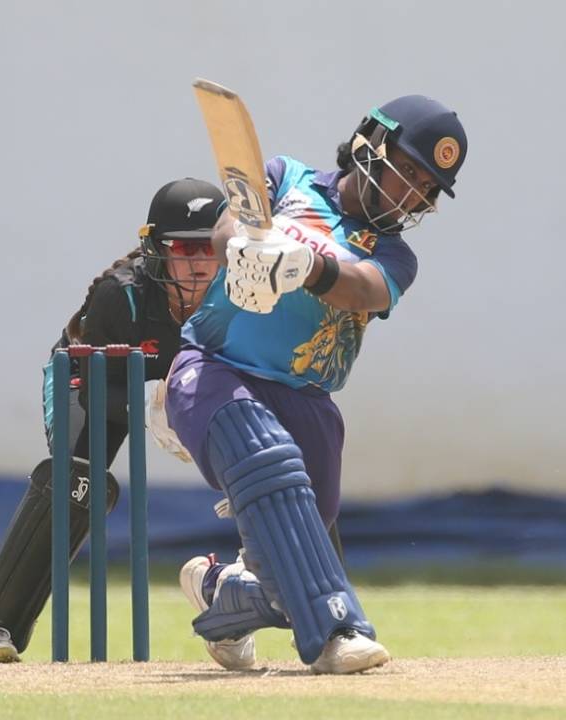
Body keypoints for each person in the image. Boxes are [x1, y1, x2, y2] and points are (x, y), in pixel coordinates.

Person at [167, 94, 468, 674]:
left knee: (291, 561)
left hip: (308, 402)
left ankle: (225, 598)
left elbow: (361, 290)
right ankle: (339, 631)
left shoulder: (398, 256)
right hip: (216, 370)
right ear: (368, 146)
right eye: (407, 171)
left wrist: (307, 266)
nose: (412, 194)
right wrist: (249, 246)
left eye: (425, 188)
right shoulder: (287, 177)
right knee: (268, 458)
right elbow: (228, 224)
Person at [0, 178, 224, 663]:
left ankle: (269, 610)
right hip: (88, 382)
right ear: (156, 249)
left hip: (174, 387)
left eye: (211, 247)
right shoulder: (119, 296)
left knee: (263, 458)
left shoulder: (235, 293)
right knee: (75, 484)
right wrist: (152, 402)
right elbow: (97, 387)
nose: (199, 262)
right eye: (185, 248)